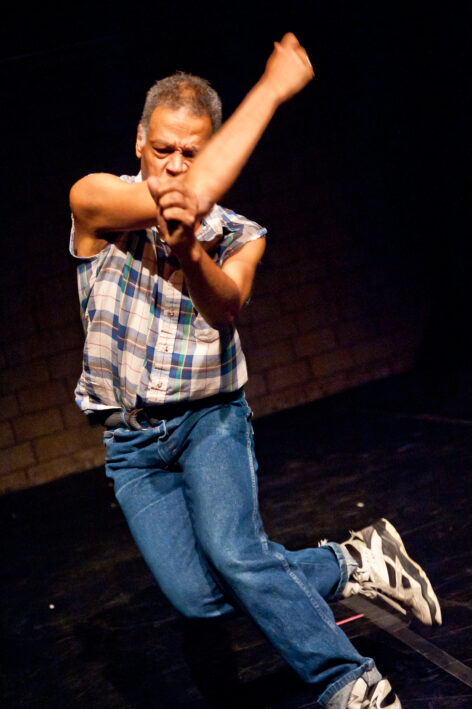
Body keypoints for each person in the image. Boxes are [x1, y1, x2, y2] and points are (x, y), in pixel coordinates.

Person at [69, 33, 441, 709]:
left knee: (238, 554)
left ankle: (349, 680)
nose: (177, 165)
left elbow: (225, 306)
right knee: (198, 597)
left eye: (194, 153)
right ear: (138, 143)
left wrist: (190, 251)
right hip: (131, 446)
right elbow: (175, 201)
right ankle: (351, 561)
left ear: (216, 153)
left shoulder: (244, 233)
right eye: (163, 150)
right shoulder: (95, 200)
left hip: (211, 420)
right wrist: (269, 88)